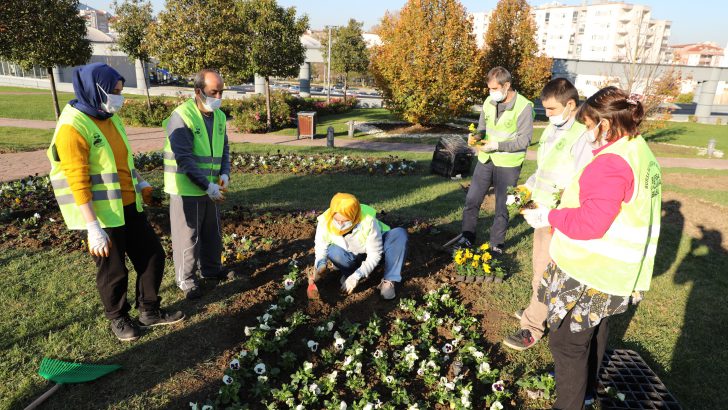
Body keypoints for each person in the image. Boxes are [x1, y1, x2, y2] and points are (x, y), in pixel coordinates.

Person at [521, 86, 662, 410]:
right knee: (595, 327)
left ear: (606, 124)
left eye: (588, 126)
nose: (586, 133)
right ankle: (587, 392)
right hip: (617, 273)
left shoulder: (611, 163)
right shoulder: (639, 151)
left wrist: (549, 215)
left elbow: (591, 223)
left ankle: (569, 404)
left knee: (567, 341)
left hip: (592, 267)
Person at [47, 63, 184, 342]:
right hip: (102, 214)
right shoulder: (72, 126)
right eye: (115, 91)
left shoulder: (109, 116)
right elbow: (77, 180)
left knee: (152, 256)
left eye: (120, 91)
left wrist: (140, 182)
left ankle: (149, 311)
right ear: (96, 89)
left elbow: (122, 160)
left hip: (128, 204)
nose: (119, 97)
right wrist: (92, 227)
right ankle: (119, 318)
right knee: (113, 270)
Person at [503, 78, 594, 352]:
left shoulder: (582, 137)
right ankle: (537, 308)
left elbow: (581, 184)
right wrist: (525, 190)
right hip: (542, 214)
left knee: (545, 272)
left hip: (559, 219)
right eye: (546, 110)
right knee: (539, 269)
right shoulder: (554, 132)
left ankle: (532, 327)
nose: (549, 115)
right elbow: (545, 171)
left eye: (553, 110)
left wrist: (552, 213)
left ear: (570, 105)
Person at [443, 66, 534, 255]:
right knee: (472, 199)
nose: (491, 92)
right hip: (486, 159)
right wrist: (475, 136)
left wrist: (497, 145)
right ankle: (467, 237)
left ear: (506, 85)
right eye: (489, 89)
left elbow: (524, 140)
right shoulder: (488, 102)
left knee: (502, 205)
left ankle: (496, 244)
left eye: (494, 88)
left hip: (508, 163)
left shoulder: (524, 107)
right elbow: (482, 128)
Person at [163, 69, 232, 300]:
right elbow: (184, 160)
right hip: (187, 188)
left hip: (212, 187)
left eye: (222, 91)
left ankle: (212, 270)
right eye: (214, 92)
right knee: (188, 237)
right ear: (198, 91)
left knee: (212, 232)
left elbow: (224, 149)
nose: (219, 97)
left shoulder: (220, 116)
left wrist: (224, 173)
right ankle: (187, 280)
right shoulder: (181, 116)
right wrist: (208, 186)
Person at [310, 193, 408, 300]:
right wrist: (320, 265)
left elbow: (375, 255)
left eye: (344, 221)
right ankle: (349, 273)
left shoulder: (367, 221)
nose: (340, 224)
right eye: (337, 220)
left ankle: (388, 280)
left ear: (354, 217)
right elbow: (320, 247)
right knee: (333, 251)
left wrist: (356, 277)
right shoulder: (325, 221)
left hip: (380, 252)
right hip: (353, 255)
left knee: (399, 234)